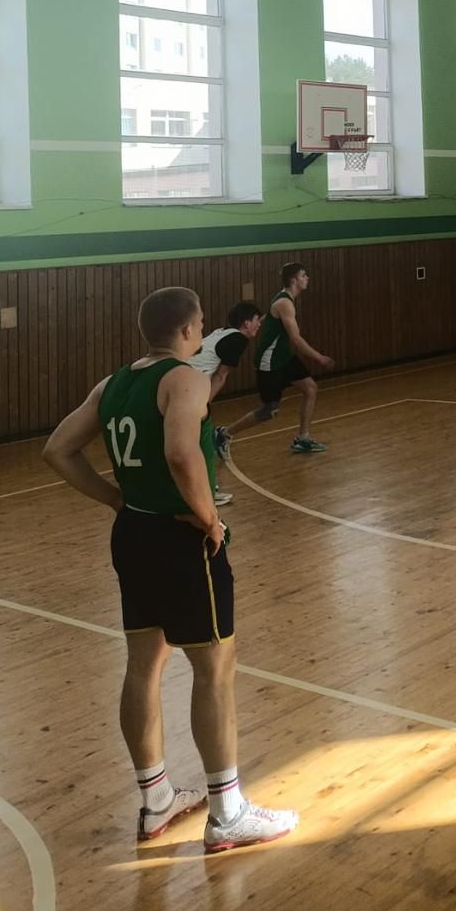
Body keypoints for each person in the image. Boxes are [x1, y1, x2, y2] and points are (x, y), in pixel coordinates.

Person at [41, 286, 299, 852]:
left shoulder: (112, 384)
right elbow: (182, 454)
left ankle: (156, 801)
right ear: (187, 330)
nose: (203, 331)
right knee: (215, 670)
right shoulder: (184, 379)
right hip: (182, 538)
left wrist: (115, 500)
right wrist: (210, 520)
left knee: (143, 666)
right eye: (201, 324)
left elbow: (57, 450)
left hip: (132, 533)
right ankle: (227, 814)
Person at [254, 264, 335, 455]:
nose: (307, 278)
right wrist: (320, 358)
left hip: (284, 356)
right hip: (270, 361)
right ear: (293, 280)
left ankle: (302, 439)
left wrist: (259, 322)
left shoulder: (284, 299)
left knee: (311, 388)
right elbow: (296, 339)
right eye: (303, 275)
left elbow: (268, 316)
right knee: (269, 410)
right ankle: (225, 433)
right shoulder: (285, 303)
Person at [188, 300, 265, 499]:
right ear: (246, 323)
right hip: (190, 385)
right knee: (202, 439)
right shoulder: (238, 340)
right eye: (257, 320)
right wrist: (205, 405)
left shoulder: (223, 332)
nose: (259, 324)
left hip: (184, 380)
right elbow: (220, 376)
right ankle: (206, 492)